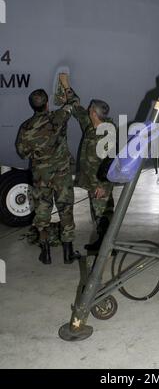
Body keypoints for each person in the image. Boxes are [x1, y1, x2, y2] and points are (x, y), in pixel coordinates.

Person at [16, 75, 80, 265]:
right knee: (66, 212)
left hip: (40, 179)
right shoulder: (58, 117)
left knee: (42, 215)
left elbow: (22, 154)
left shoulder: (26, 128)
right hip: (62, 177)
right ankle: (68, 253)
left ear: (33, 106)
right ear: (46, 105)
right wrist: (66, 85)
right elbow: (74, 102)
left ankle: (46, 253)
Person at [70, 91, 115, 252]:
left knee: (103, 214)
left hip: (101, 184)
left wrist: (101, 185)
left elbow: (108, 164)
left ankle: (107, 247)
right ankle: (104, 244)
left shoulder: (107, 134)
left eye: (90, 109)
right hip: (93, 182)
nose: (88, 110)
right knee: (99, 214)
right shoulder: (91, 126)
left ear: (95, 113)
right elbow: (78, 110)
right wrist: (67, 86)